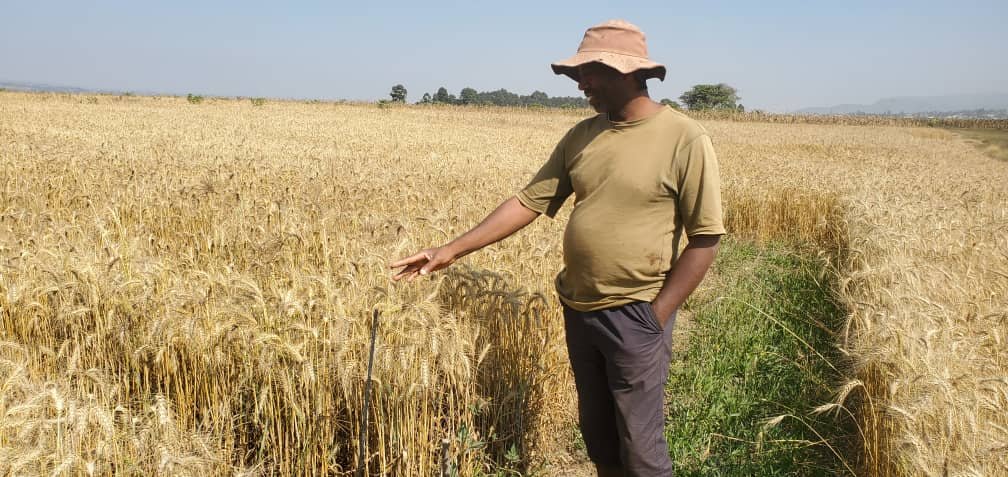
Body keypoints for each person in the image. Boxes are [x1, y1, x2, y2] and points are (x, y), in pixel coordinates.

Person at [390, 19, 725, 477]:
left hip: (637, 312)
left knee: (642, 451)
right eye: (579, 73)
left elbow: (705, 238)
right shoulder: (582, 136)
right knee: (601, 442)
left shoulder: (684, 138)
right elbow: (529, 201)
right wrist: (450, 250)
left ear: (627, 72)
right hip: (579, 309)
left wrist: (656, 316)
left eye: (591, 72)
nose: (582, 83)